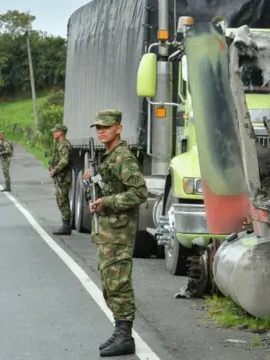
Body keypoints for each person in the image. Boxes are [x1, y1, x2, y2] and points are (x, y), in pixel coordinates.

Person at [83, 109, 147, 357]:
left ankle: (125, 336)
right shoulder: (108, 157)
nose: (101, 131)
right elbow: (106, 185)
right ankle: (120, 330)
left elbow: (139, 192)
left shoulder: (123, 157)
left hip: (119, 232)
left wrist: (108, 201)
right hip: (108, 232)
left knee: (119, 282)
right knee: (110, 283)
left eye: (106, 127)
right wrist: (93, 183)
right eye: (98, 127)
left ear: (118, 128)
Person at [50, 123, 73, 235]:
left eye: (56, 131)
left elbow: (64, 161)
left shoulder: (64, 145)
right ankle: (66, 225)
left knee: (62, 200)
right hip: (60, 176)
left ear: (61, 132)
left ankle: (66, 226)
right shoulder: (59, 144)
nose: (54, 133)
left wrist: (55, 170)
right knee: (60, 199)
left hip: (63, 177)